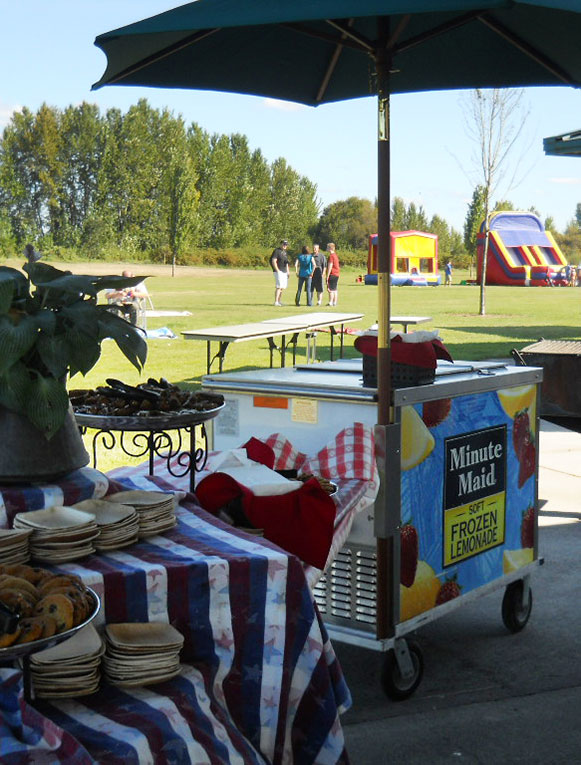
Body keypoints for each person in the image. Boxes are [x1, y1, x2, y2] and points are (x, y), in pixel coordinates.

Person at [269, 239, 290, 306]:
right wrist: (277, 270)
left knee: (282, 287)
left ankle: (279, 301)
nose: (285, 246)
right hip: (279, 271)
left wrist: (288, 271)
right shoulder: (277, 251)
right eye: (284, 244)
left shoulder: (285, 252)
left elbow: (286, 263)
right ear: (281, 244)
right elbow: (273, 261)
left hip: (284, 271)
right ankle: (276, 302)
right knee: (279, 286)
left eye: (286, 244)